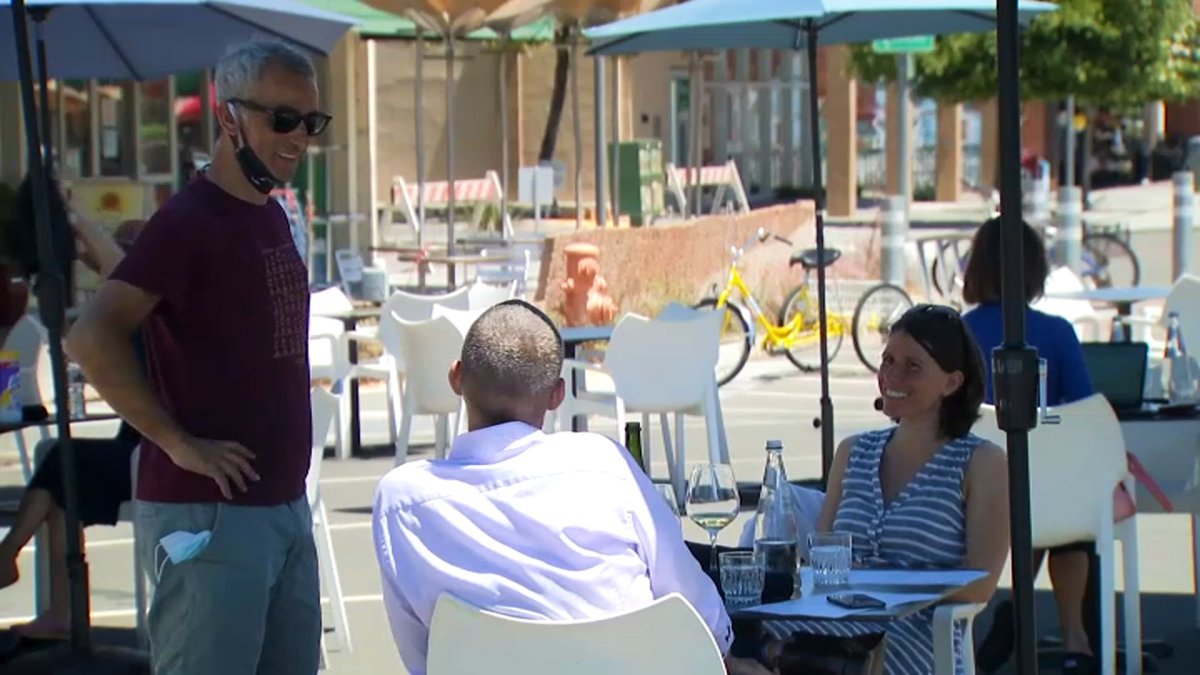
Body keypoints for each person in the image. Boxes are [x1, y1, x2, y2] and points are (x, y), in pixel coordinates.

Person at [65, 37, 328, 675]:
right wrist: (178, 442)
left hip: (282, 508)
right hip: (210, 516)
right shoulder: (189, 220)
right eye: (282, 119)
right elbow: (90, 338)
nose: (298, 137)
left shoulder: (268, 212)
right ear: (228, 116)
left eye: (310, 122)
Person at [372, 300, 764, 675]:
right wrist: (728, 653)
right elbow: (695, 608)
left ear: (456, 376)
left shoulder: (401, 500)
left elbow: (424, 660)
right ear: (558, 394)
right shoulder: (603, 463)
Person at [762, 304, 1010, 675]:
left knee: (783, 656)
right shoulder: (853, 452)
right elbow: (820, 559)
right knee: (725, 635)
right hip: (832, 628)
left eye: (912, 366)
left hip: (916, 641)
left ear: (951, 382)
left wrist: (874, 583)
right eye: (888, 360)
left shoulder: (981, 463)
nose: (892, 375)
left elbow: (980, 586)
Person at [961, 217, 1097, 674]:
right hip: (1047, 494)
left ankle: (1014, 619)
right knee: (1061, 505)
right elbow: (1084, 414)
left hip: (972, 492)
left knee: (1026, 496)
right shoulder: (1057, 334)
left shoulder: (958, 334)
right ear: (1036, 269)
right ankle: (1075, 637)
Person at [0, 213, 142, 640]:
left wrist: (79, 221)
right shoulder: (130, 309)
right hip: (140, 448)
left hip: (156, 457)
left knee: (63, 457)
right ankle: (60, 612)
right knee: (62, 483)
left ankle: (9, 552)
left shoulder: (148, 309)